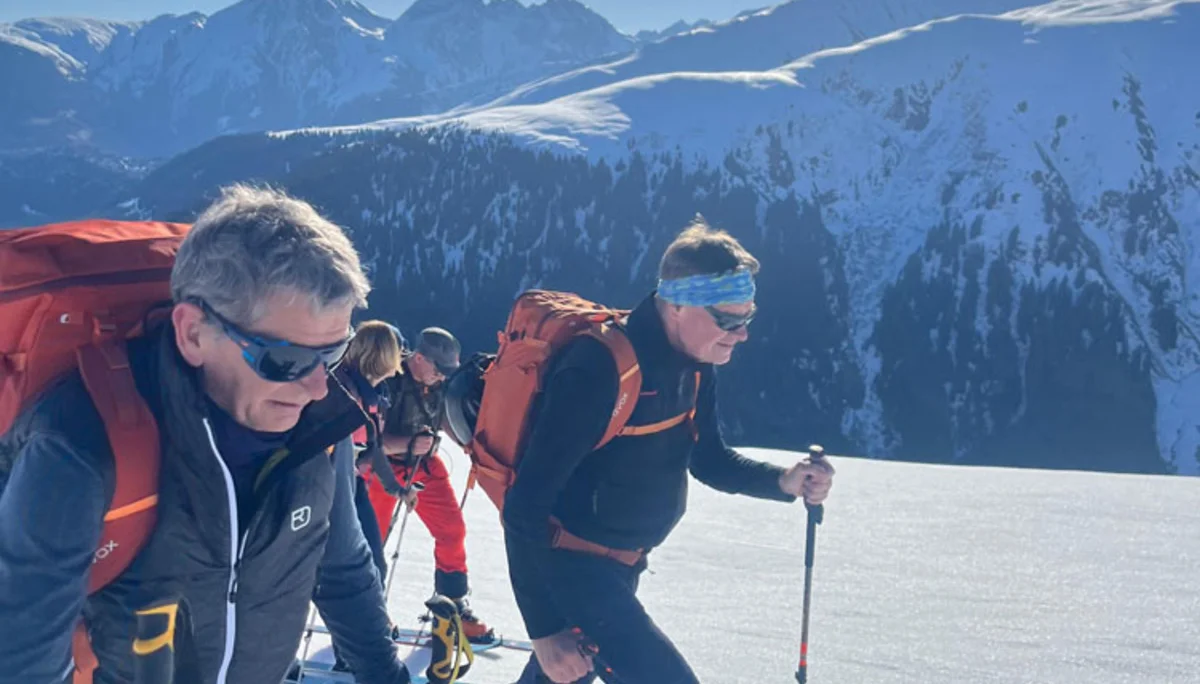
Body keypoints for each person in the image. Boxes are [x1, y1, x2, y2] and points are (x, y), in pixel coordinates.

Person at [0, 185, 413, 683]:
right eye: (286, 360)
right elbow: (22, 655)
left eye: (333, 354)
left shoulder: (320, 428)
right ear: (193, 333)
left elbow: (343, 572)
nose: (316, 386)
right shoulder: (85, 440)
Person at [501, 216, 837, 683]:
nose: (742, 334)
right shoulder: (598, 369)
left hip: (622, 566)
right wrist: (544, 631)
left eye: (748, 318)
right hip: (573, 567)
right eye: (729, 320)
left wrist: (782, 481)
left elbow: (708, 459)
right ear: (678, 306)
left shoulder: (694, 365)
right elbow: (524, 507)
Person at [362, 327, 495, 642]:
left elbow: (445, 418)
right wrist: (411, 443)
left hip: (424, 465)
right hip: (383, 469)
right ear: (418, 359)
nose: (442, 377)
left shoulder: (438, 382)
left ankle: (453, 606)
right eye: (439, 370)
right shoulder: (386, 382)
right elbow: (369, 442)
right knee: (371, 543)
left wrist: (469, 443)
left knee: (452, 530)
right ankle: (368, 613)